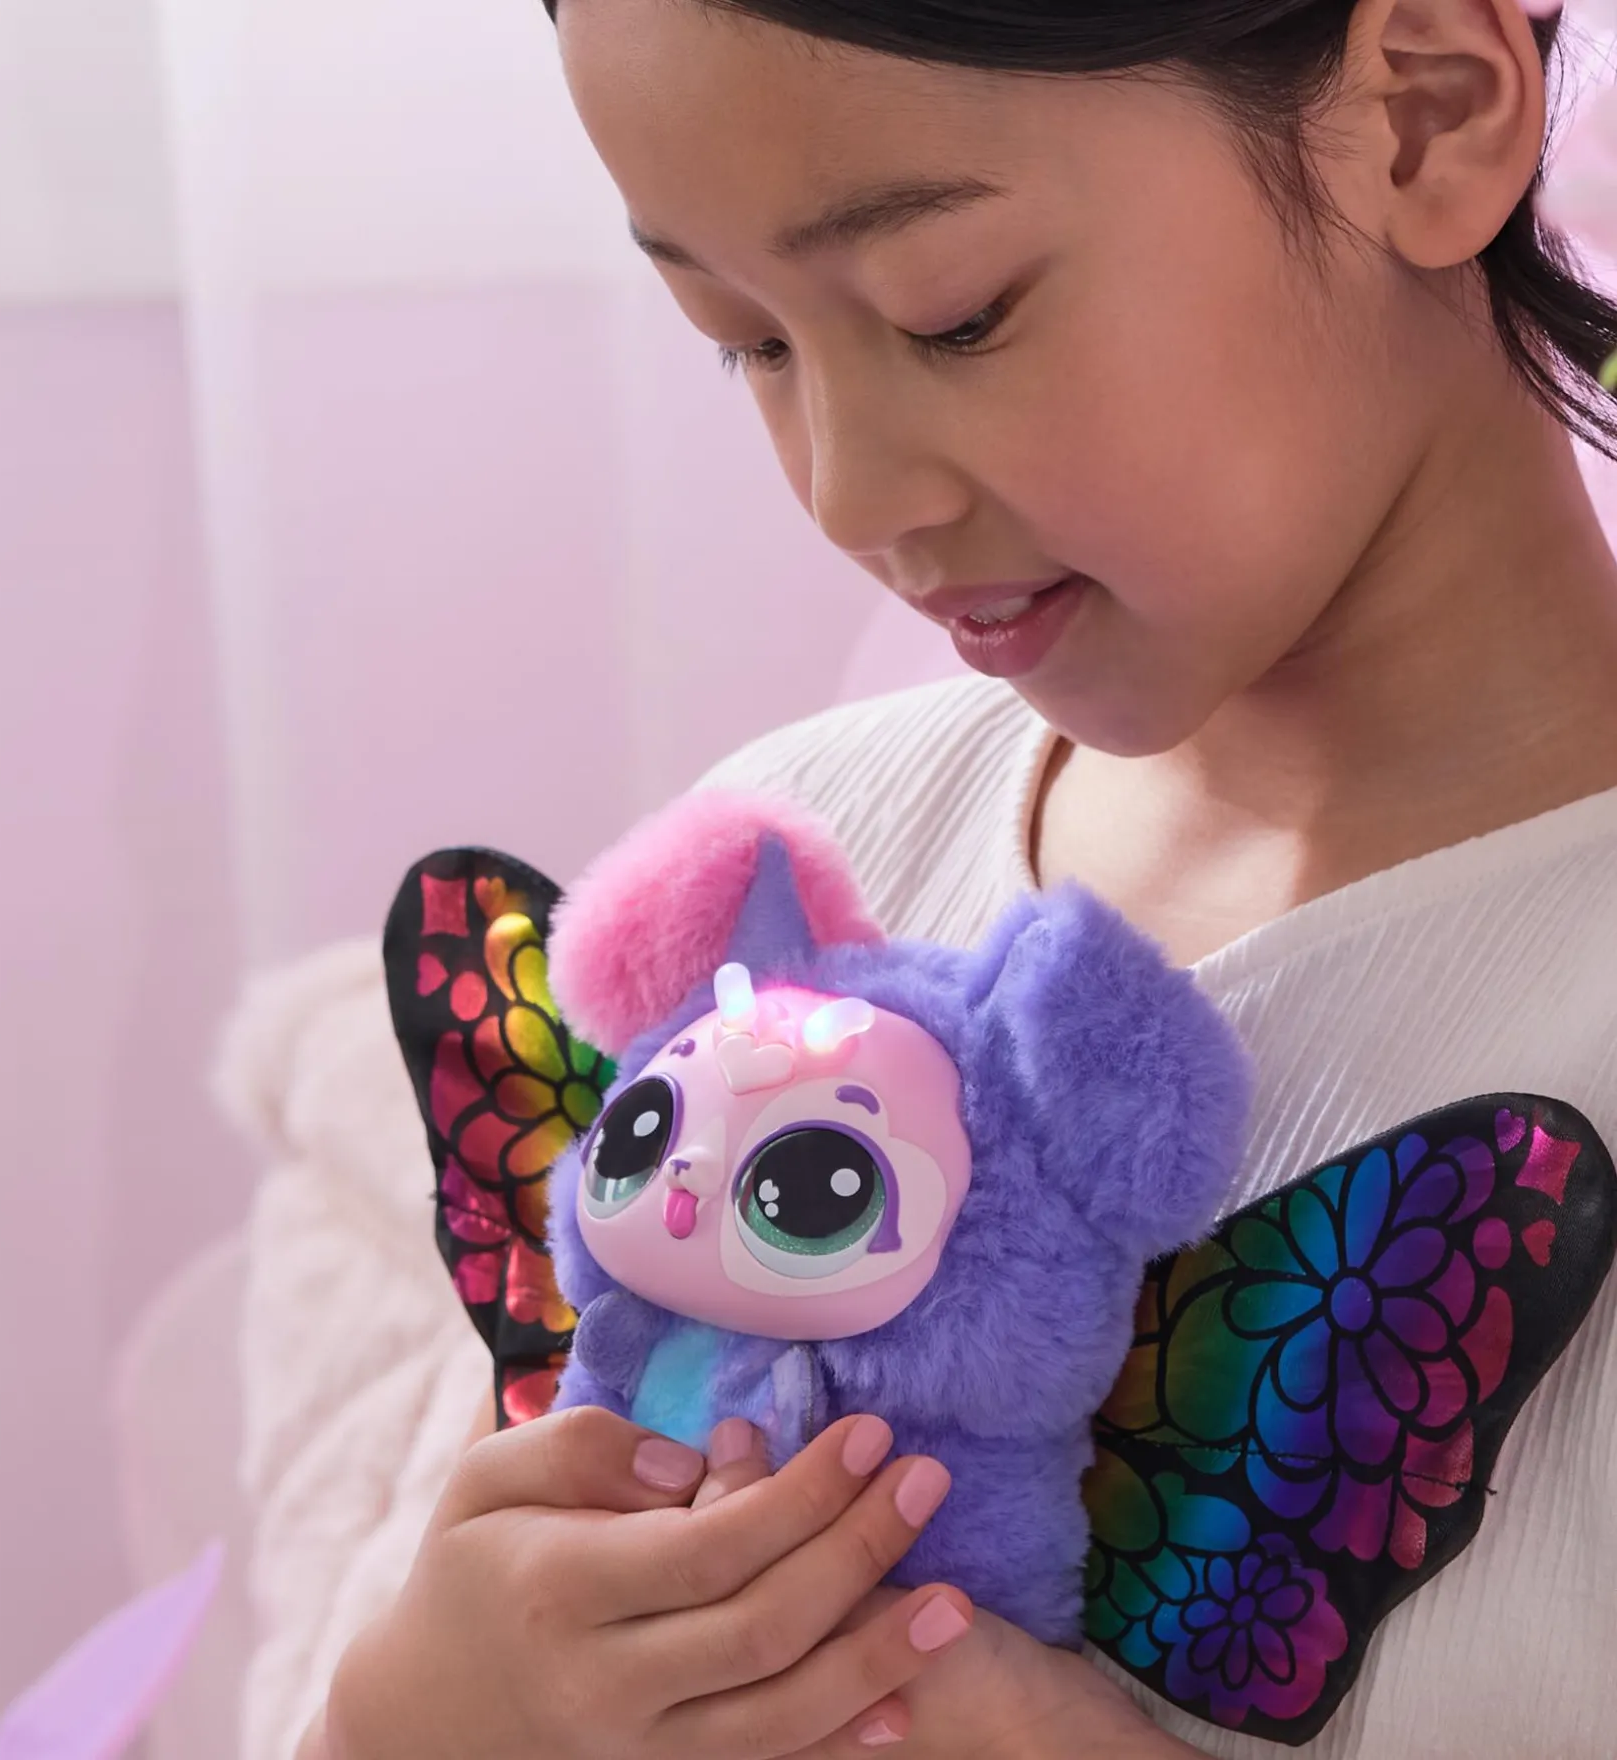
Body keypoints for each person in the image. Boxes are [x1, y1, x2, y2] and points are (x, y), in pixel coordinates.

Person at [295, 0, 1617, 1752]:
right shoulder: (784, 879)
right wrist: (406, 1720)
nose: (849, 494)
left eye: (955, 313)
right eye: (747, 343)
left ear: (1426, 110)